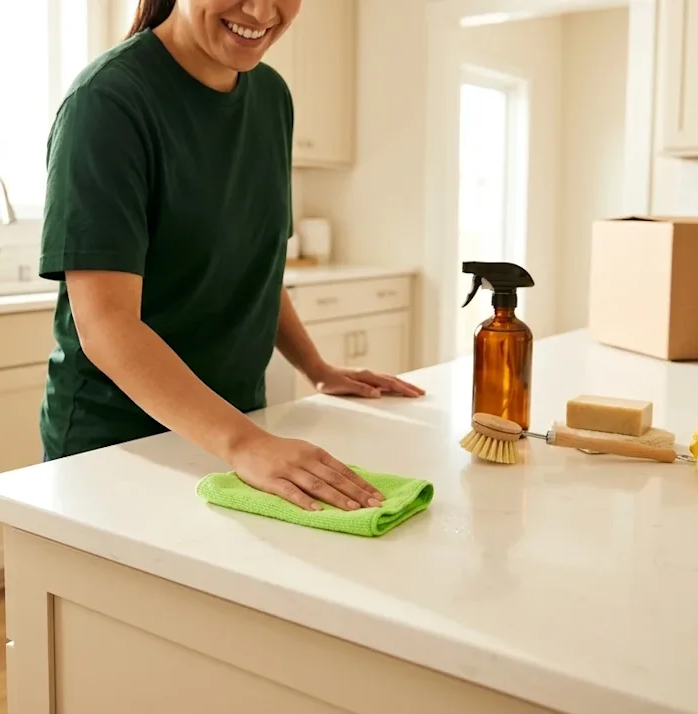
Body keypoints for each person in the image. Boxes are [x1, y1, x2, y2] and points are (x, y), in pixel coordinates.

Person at [38, 0, 425, 512]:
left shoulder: (271, 97)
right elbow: (107, 326)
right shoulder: (106, 102)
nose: (262, 11)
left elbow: (254, 266)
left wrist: (316, 367)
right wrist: (244, 443)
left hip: (238, 429)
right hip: (119, 446)